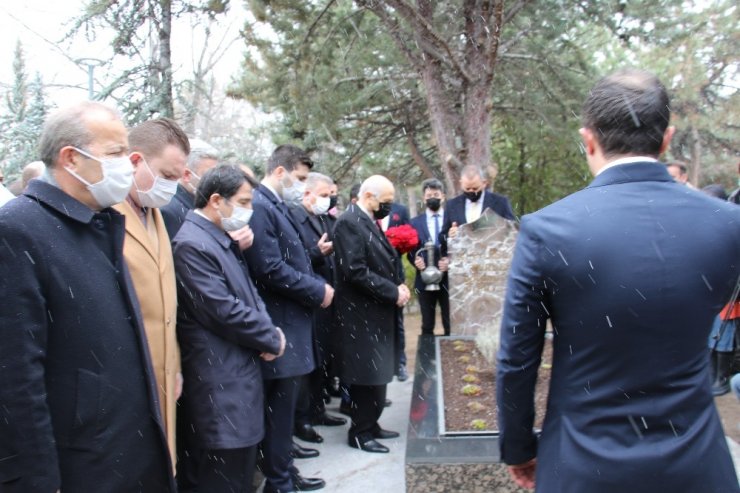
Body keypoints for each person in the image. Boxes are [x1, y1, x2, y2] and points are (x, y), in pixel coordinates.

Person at [497, 69, 740, 492]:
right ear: (666, 139)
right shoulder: (727, 224)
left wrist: (518, 448)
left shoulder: (548, 230)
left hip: (583, 464)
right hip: (697, 464)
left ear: (587, 139)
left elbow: (518, 360)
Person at [0, 101, 174, 491]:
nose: (127, 165)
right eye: (114, 153)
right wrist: (39, 481)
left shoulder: (98, 223)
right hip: (84, 466)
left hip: (124, 451)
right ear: (71, 159)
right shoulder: (18, 230)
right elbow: (15, 380)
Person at [172, 165, 286, 492]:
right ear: (217, 200)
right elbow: (223, 310)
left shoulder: (217, 237)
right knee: (223, 480)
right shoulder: (192, 244)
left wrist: (267, 330)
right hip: (219, 390)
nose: (249, 211)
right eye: (244, 202)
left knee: (240, 476)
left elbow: (250, 295)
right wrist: (270, 337)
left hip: (236, 384)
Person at [242, 144, 331, 493]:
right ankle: (279, 482)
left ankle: (284, 473)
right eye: (300, 178)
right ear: (280, 172)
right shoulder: (261, 205)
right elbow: (269, 268)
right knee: (278, 413)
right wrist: (316, 289)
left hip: (290, 319)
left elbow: (288, 258)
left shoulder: (275, 204)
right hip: (279, 322)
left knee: (283, 410)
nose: (302, 185)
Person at [112, 117, 189, 466]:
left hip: (163, 373)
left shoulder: (155, 212)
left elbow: (165, 303)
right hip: (127, 380)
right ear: (134, 161)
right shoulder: (105, 217)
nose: (172, 187)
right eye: (167, 176)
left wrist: (173, 366)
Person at [333, 175, 410, 454]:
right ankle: (360, 431)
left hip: (375, 313)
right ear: (368, 196)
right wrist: (392, 291)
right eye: (386, 202)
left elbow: (381, 261)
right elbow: (355, 271)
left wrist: (398, 285)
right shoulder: (348, 222)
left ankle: (372, 423)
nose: (389, 207)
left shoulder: (365, 220)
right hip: (361, 316)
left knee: (377, 375)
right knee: (366, 377)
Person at [289, 172, 347, 446]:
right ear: (307, 193)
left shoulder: (322, 218)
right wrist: (317, 253)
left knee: (323, 359)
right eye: (323, 195)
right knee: (310, 363)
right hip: (310, 299)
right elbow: (293, 260)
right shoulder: (295, 218)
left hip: (327, 297)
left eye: (329, 195)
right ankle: (305, 418)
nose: (327, 200)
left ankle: (318, 410)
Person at [409, 178, 450, 336]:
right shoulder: (414, 223)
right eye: (429, 195)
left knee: (450, 322)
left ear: (443, 196)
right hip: (424, 279)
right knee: (427, 324)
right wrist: (416, 261)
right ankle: (427, 359)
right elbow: (411, 250)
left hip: (448, 280)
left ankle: (451, 359)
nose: (432, 197)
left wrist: (450, 261)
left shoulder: (452, 220)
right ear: (423, 198)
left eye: (436, 194)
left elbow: (460, 247)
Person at [160, 138, 219, 239]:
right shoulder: (170, 210)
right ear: (187, 175)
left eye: (217, 176)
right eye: (209, 176)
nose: (215, 182)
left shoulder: (196, 205)